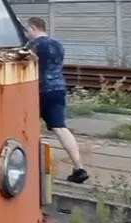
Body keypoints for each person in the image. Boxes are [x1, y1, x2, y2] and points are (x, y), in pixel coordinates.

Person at [26, 17, 90, 184]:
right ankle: (79, 167)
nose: (27, 34)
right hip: (59, 88)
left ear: (33, 28)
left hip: (39, 90)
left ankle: (29, 167)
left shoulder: (34, 46)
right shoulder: (58, 45)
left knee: (28, 127)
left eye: (28, 30)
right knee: (60, 128)